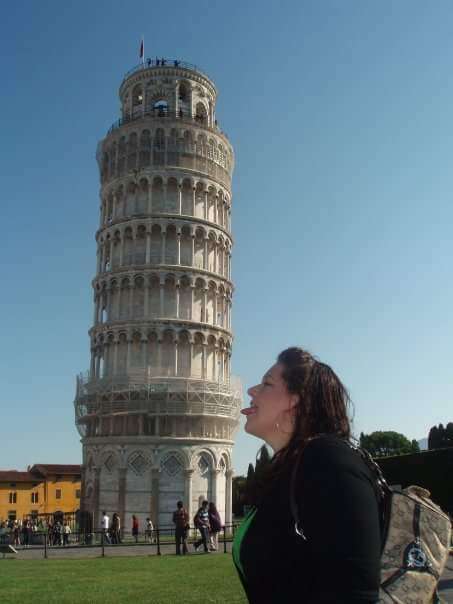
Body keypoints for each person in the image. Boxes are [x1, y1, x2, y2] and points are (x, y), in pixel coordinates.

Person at [232, 347, 381, 603]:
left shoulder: (329, 461)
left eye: (267, 384)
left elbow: (355, 593)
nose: (251, 390)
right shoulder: (288, 469)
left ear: (295, 399)